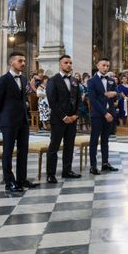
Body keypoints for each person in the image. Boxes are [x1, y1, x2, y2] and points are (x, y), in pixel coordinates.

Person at [0, 51, 37, 193]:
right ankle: (9, 181)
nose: (23, 63)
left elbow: (25, 98)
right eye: (20, 61)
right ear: (12, 62)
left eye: (24, 60)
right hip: (8, 121)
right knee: (8, 152)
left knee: (23, 151)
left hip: (23, 120)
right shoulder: (2, 80)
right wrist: (0, 120)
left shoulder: (23, 79)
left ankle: (21, 179)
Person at [45, 55, 82, 183]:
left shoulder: (74, 81)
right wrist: (64, 117)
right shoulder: (53, 80)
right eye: (66, 62)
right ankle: (51, 174)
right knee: (54, 146)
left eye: (70, 63)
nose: (69, 65)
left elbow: (78, 99)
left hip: (72, 119)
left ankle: (67, 170)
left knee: (69, 146)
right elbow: (52, 101)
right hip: (58, 119)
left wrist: (75, 115)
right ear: (60, 64)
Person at [87, 58, 119, 174]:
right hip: (97, 115)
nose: (106, 68)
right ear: (98, 65)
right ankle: (93, 166)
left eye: (107, 66)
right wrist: (104, 113)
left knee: (105, 140)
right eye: (103, 65)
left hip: (110, 114)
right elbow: (93, 100)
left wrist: (115, 93)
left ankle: (105, 163)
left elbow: (118, 95)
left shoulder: (111, 80)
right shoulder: (92, 81)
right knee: (94, 140)